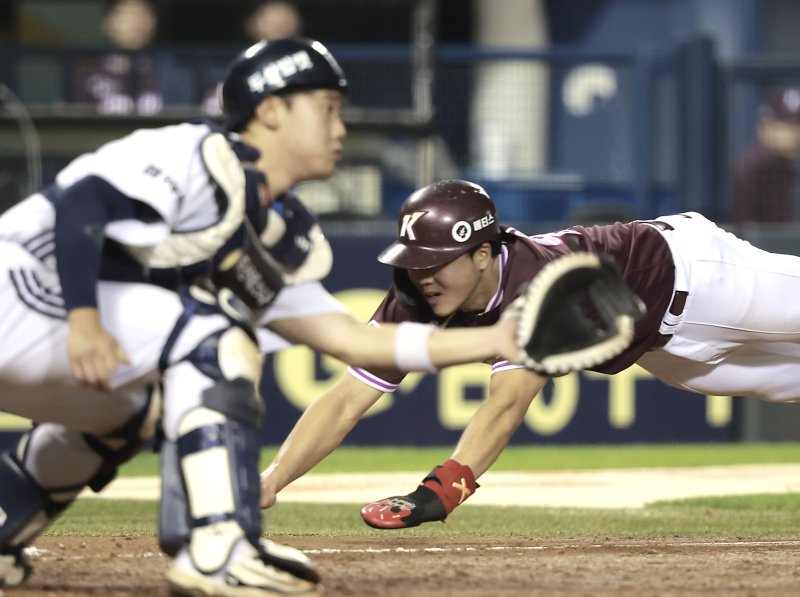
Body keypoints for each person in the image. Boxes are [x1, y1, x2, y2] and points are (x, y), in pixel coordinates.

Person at [0, 40, 522, 597]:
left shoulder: (279, 231)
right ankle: (220, 549)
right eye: (326, 108)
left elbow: (351, 341)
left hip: (44, 339)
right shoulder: (192, 152)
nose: (340, 128)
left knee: (137, 410)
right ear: (271, 110)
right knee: (217, 335)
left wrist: (497, 339)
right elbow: (82, 205)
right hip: (21, 298)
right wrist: (84, 321)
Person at [260, 178, 800, 529]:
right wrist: (270, 481)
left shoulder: (532, 283)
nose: (422, 275)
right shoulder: (417, 297)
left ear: (482, 254)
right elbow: (345, 400)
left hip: (705, 279)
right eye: (414, 261)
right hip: (664, 349)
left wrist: (439, 493)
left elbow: (507, 404)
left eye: (435, 261)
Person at [732, 87, 800, 224]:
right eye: (786, 124)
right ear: (766, 126)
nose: (793, 133)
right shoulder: (752, 169)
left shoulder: (787, 163)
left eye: (797, 124)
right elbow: (745, 230)